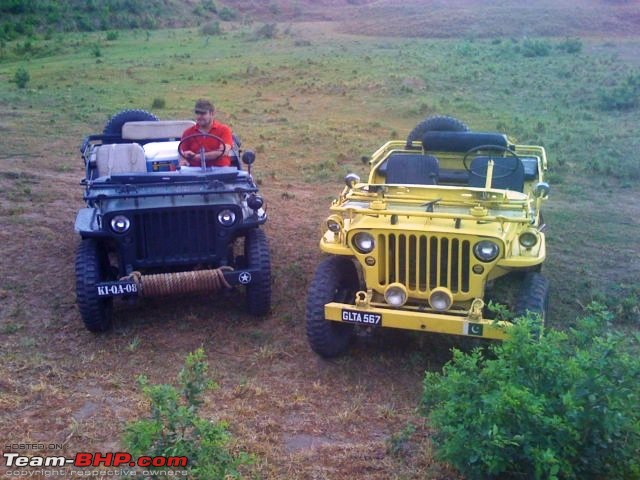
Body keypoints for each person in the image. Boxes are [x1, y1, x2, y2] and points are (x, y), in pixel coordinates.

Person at [180, 99, 233, 167]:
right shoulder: (188, 133)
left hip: (220, 171)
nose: (199, 116)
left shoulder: (224, 130)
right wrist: (184, 161)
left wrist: (196, 157)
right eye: (197, 113)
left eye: (203, 113)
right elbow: (184, 155)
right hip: (195, 173)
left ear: (212, 114)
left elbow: (223, 152)